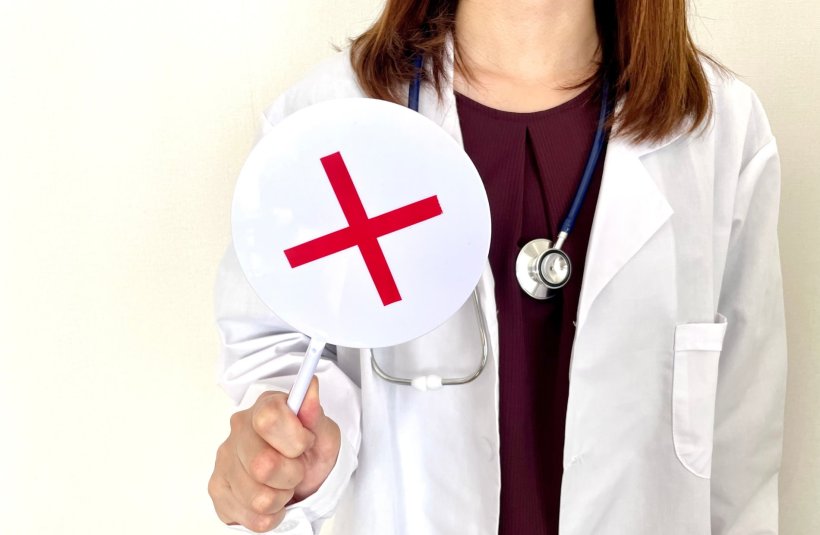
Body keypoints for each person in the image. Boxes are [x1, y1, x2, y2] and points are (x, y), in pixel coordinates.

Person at [207, 0, 787, 533]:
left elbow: (742, 436)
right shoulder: (328, 117)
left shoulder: (718, 129)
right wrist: (293, 458)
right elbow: (280, 359)